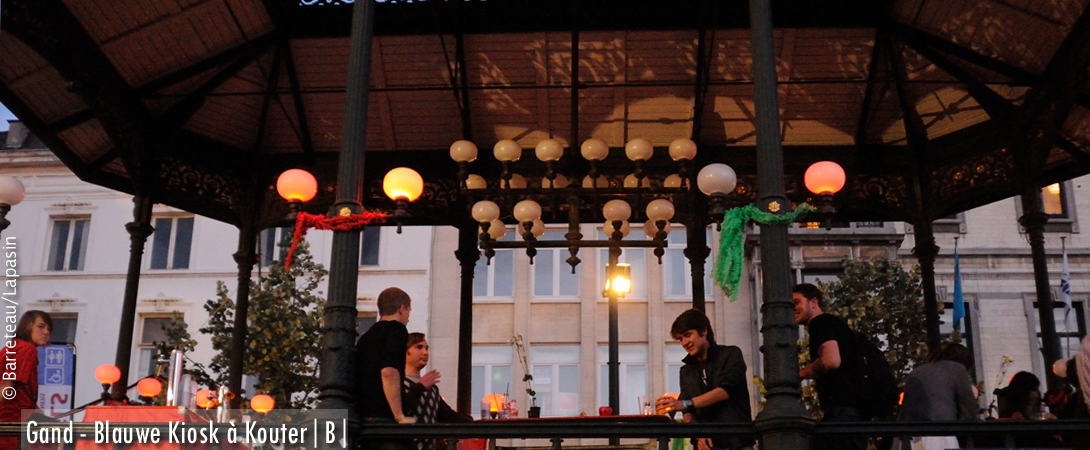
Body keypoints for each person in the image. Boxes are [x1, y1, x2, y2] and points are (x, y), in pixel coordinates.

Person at [655, 309, 753, 450]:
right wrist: (699, 434)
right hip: (706, 445)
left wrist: (684, 404)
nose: (684, 343)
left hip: (736, 441)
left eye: (688, 335)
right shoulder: (686, 371)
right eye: (680, 339)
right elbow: (688, 412)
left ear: (704, 331)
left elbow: (725, 391)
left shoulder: (730, 354)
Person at [792, 283, 866, 450]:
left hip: (841, 416)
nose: (792, 309)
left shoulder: (820, 322)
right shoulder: (837, 325)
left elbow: (831, 360)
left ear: (814, 302)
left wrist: (802, 373)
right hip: (853, 416)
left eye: (796, 302)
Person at [356, 287, 416, 450]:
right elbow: (388, 371)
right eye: (409, 312)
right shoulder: (396, 329)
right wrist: (400, 416)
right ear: (402, 308)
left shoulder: (366, 337)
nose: (408, 319)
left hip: (365, 423)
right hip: (385, 420)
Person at [893, 343, 978, 450]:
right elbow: (969, 411)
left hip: (909, 437)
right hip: (940, 435)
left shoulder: (916, 372)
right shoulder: (957, 369)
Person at [401, 333, 471, 450]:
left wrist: (471, 421)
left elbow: (446, 414)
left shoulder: (432, 388)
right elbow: (401, 410)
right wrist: (420, 388)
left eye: (426, 348)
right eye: (419, 347)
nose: (425, 352)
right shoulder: (397, 383)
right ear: (405, 352)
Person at [0, 311, 52, 450]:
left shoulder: (12, 347)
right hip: (11, 424)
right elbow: (7, 385)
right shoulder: (27, 349)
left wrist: (34, 409)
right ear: (27, 327)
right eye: (40, 326)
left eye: (48, 329)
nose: (46, 332)